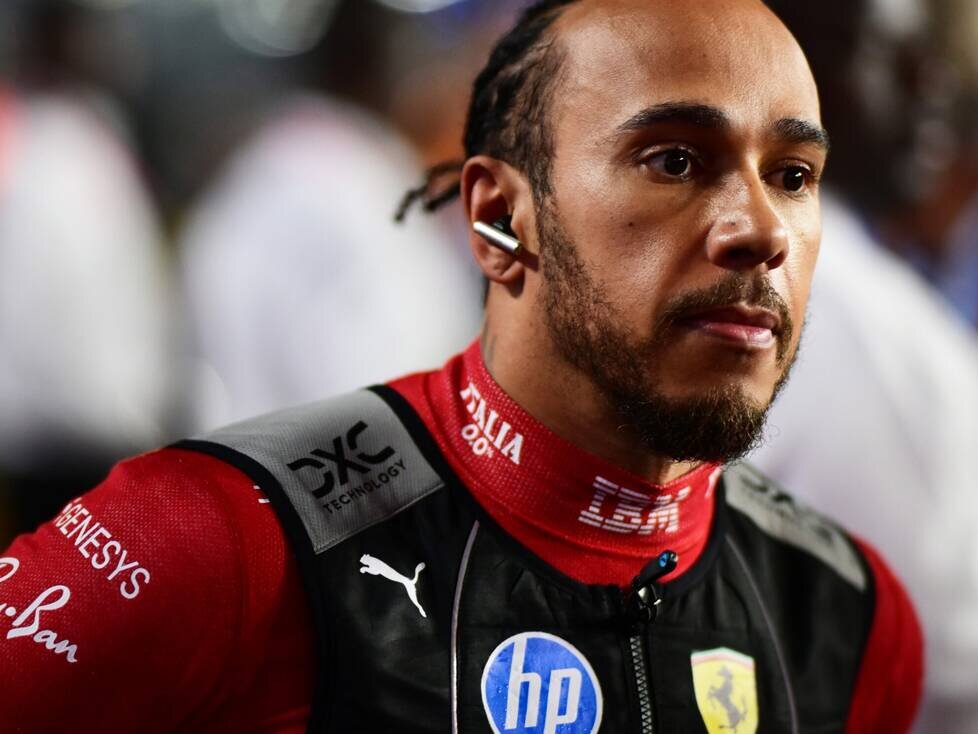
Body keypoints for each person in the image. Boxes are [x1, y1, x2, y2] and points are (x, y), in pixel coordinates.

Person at [0, 1, 922, 732]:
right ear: (500, 218)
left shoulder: (848, 614)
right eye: (675, 160)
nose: (762, 229)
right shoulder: (219, 537)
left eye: (793, 175)